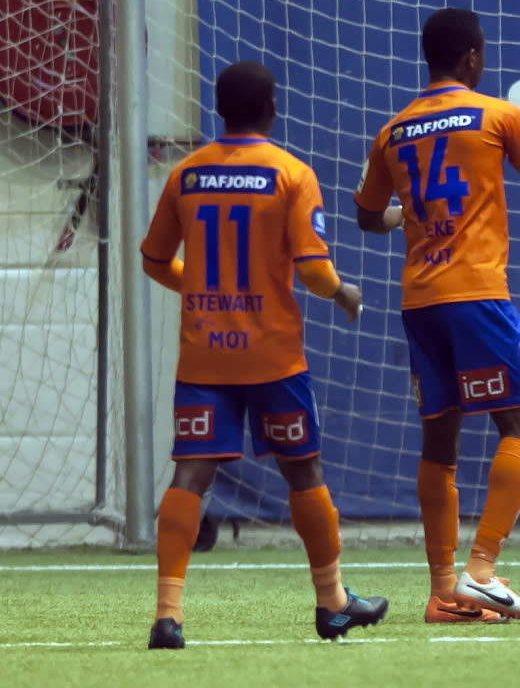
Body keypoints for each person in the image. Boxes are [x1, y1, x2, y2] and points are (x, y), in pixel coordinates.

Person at [140, 60, 387, 649]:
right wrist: (343, 293)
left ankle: (167, 616)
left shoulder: (185, 174)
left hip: (205, 355)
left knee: (191, 473)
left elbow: (153, 260)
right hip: (273, 357)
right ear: (272, 108)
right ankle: (332, 603)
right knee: (303, 470)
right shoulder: (291, 173)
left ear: (219, 110)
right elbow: (314, 271)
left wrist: (203, 287)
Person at [355, 8, 520, 623]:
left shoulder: (393, 131)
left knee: (440, 442)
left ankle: (443, 593)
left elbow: (367, 217)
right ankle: (480, 571)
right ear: (473, 57)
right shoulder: (499, 115)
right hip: (478, 295)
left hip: (420, 302)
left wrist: (405, 213)